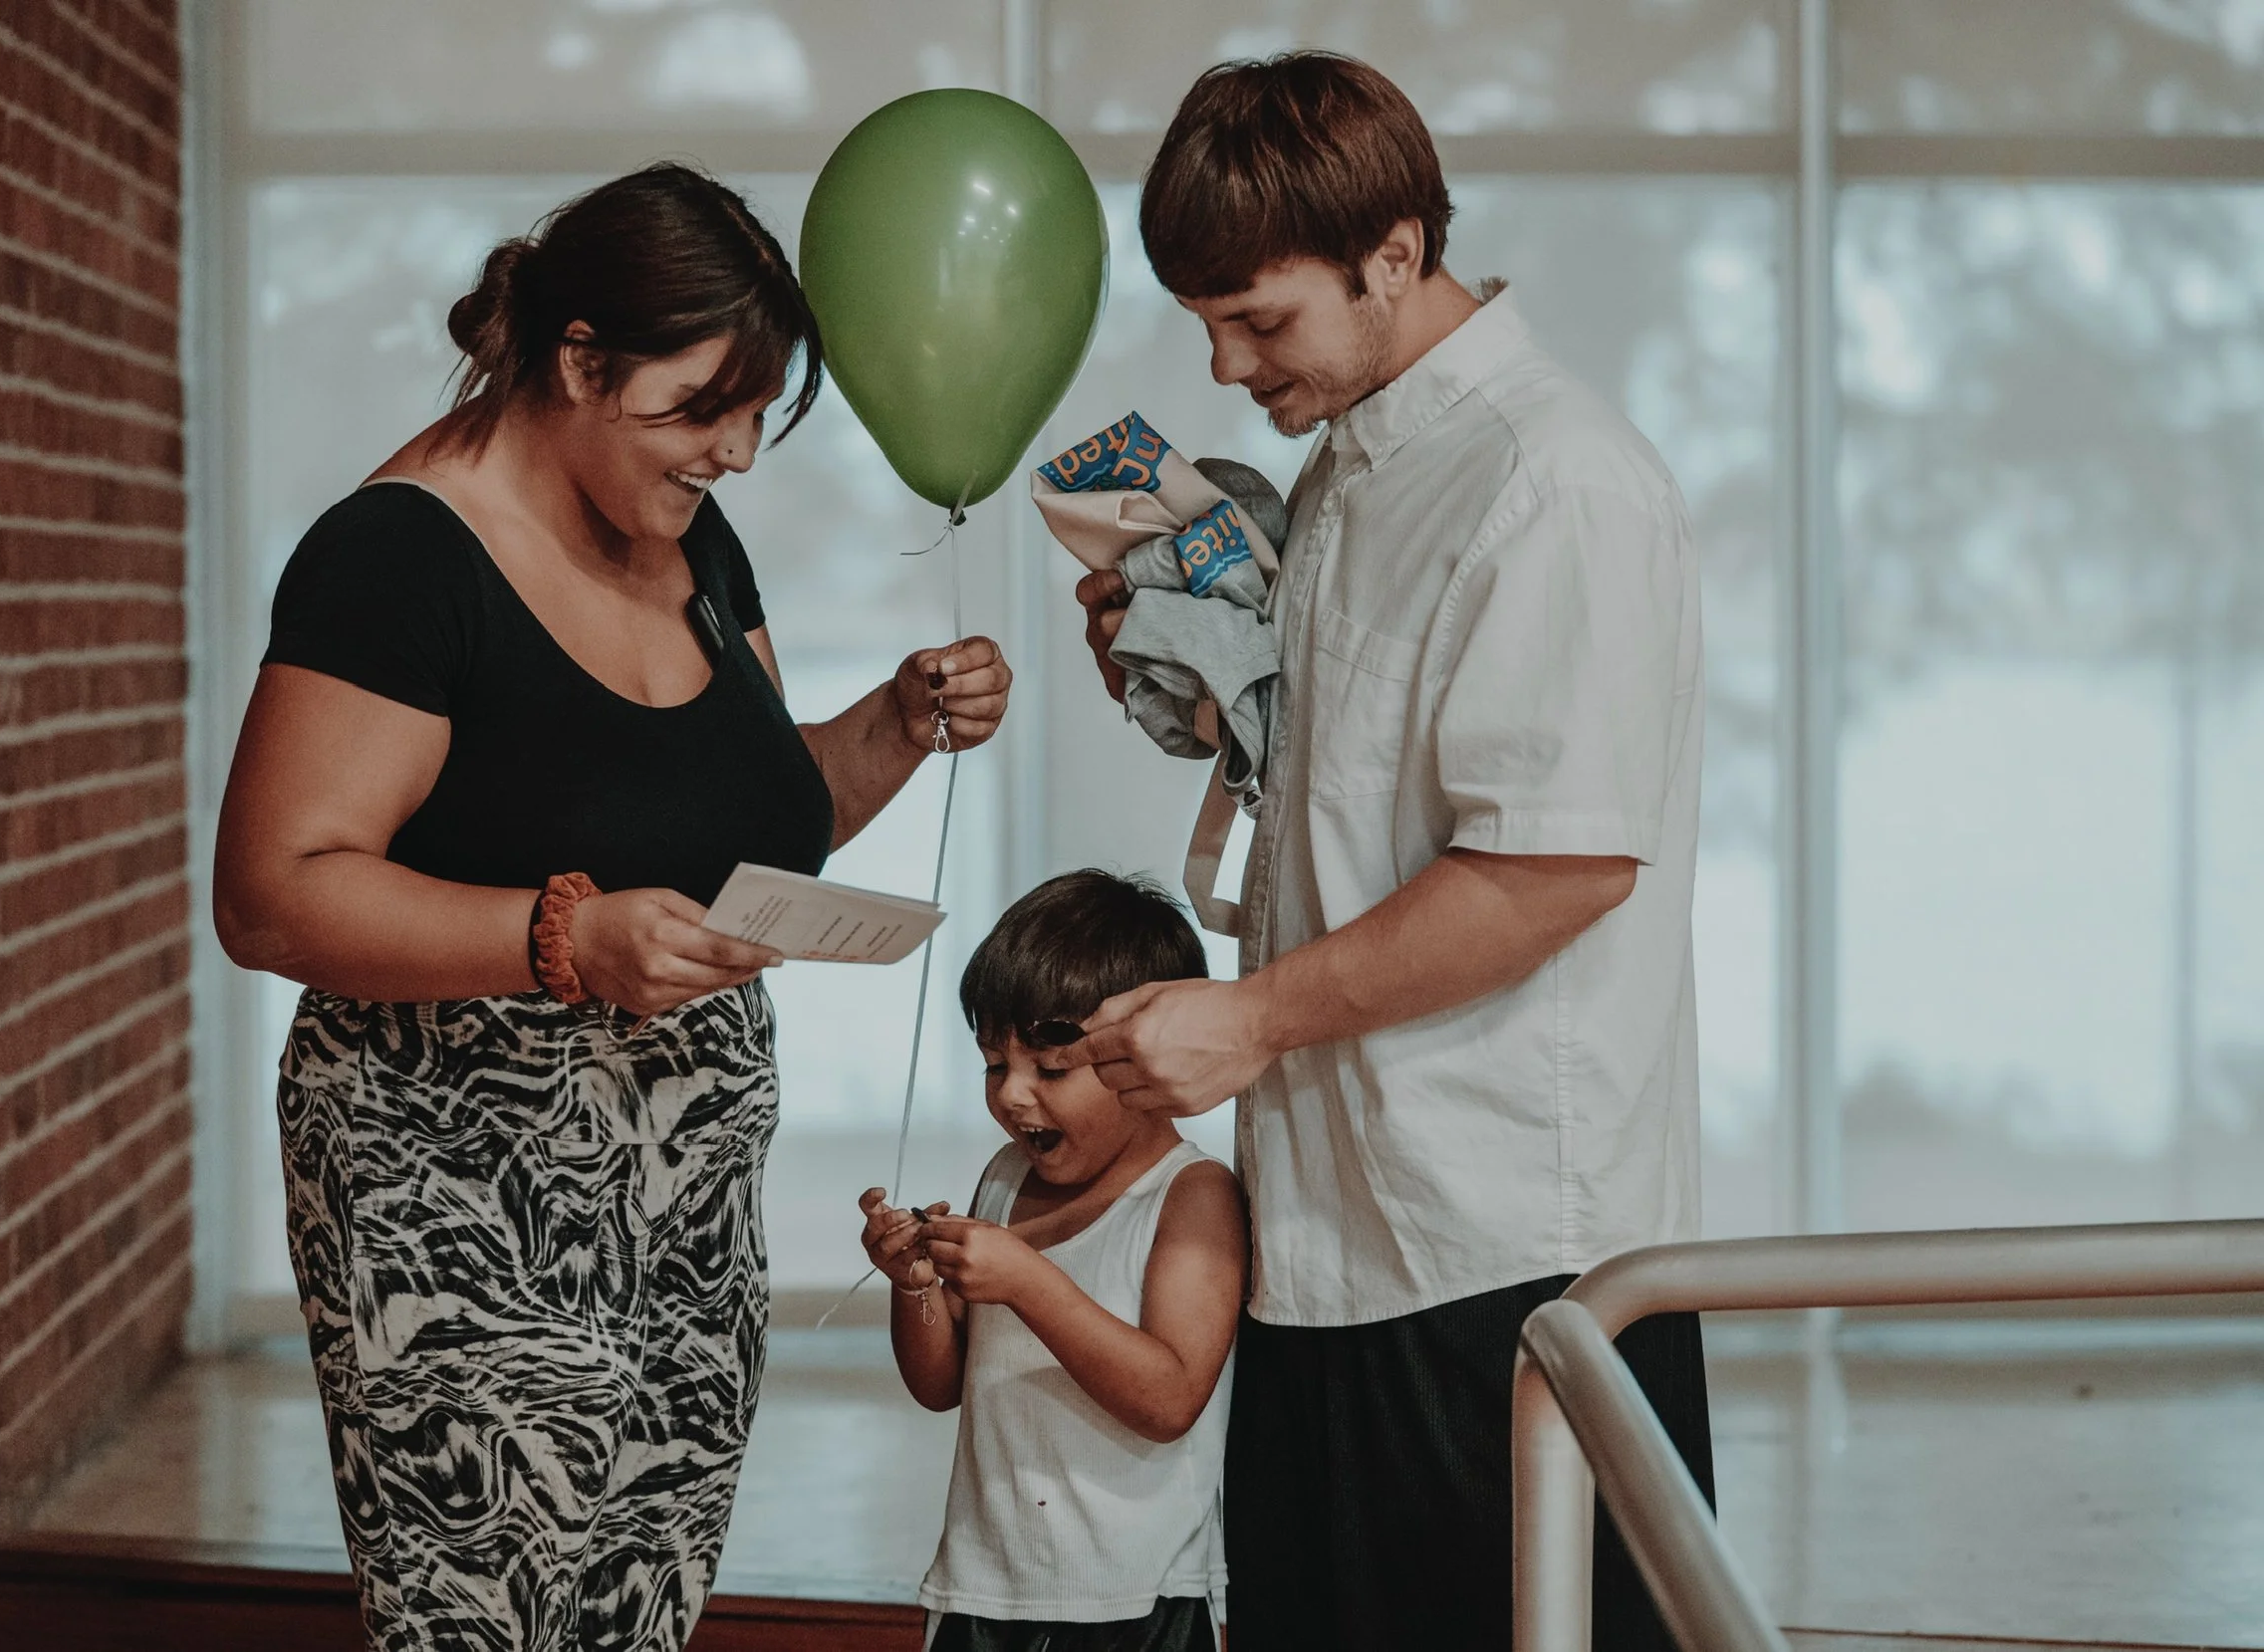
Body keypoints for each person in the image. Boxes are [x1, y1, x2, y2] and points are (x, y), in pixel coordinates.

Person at [212, 163, 1012, 1652]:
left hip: (684, 1196)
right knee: (490, 1621)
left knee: (638, 1610)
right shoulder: (396, 557)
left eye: (759, 411)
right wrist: (561, 939)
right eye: (705, 403)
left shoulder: (689, 531)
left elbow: (769, 815)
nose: (737, 449)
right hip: (457, 1190)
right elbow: (271, 895)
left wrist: (898, 722)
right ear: (580, 359)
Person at [1054, 55, 1713, 1652]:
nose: (1221, 366)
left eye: (1257, 319)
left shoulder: (1555, 480)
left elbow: (1555, 869)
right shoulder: (1356, 455)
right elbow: (1361, 792)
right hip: (1333, 1229)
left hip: (1505, 1244)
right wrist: (1193, 680)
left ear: (1397, 254)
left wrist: (1252, 1016)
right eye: (1202, 320)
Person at [859, 870, 1247, 1652]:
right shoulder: (1004, 1181)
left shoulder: (1190, 1193)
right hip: (982, 1587)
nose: (1013, 1096)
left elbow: (1170, 1399)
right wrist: (917, 1285)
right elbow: (941, 1385)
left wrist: (1032, 1283)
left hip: (1133, 1601)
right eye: (995, 1065)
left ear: (1145, 1062)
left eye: (1051, 1068)